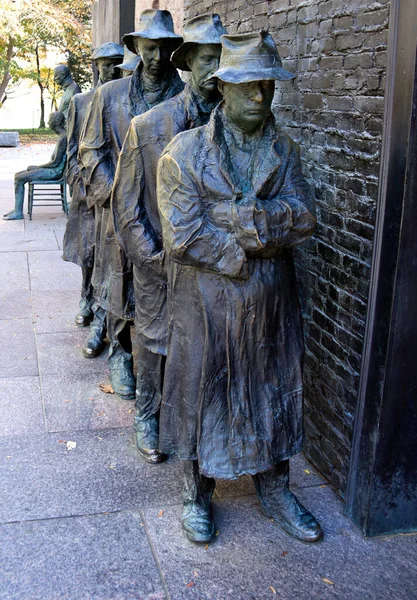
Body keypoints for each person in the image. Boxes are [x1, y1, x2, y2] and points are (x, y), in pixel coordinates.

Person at [157, 32, 323, 544]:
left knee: (273, 389)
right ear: (223, 87)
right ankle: (197, 491)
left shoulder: (286, 150)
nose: (261, 95)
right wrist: (248, 252)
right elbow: (184, 235)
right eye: (249, 85)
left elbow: (304, 218)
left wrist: (242, 219)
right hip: (205, 304)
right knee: (201, 393)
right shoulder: (183, 154)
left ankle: (275, 488)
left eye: (267, 85)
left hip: (272, 302)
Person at [112, 14, 226, 463]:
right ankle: (147, 413)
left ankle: (197, 424)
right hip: (159, 262)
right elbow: (126, 206)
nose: (214, 72)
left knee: (204, 348)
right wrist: (151, 258)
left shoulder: (232, 127)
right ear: (189, 63)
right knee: (153, 338)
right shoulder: (150, 125)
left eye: (223, 62)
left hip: (211, 266)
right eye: (208, 60)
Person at [78, 9, 184, 399]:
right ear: (136, 47)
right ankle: (120, 352)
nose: (157, 57)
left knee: (159, 289)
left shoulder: (183, 98)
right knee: (119, 285)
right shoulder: (110, 96)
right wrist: (116, 195)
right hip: (117, 212)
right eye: (150, 48)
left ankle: (158, 359)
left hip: (165, 213)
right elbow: (91, 153)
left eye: (165, 48)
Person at [62, 43, 124, 329]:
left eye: (117, 62)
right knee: (88, 251)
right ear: (96, 67)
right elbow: (72, 149)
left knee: (108, 254)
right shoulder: (80, 102)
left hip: (115, 191)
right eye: (106, 63)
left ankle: (105, 311)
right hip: (87, 193)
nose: (112, 69)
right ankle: (86, 299)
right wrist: (81, 184)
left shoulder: (123, 100)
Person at [4, 111, 67, 221]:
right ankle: (16, 209)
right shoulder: (62, 136)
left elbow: (55, 163)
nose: (48, 122)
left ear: (56, 122)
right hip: (53, 169)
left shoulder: (63, 138)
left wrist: (37, 167)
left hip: (55, 172)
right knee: (18, 175)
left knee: (19, 178)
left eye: (50, 120)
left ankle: (18, 212)